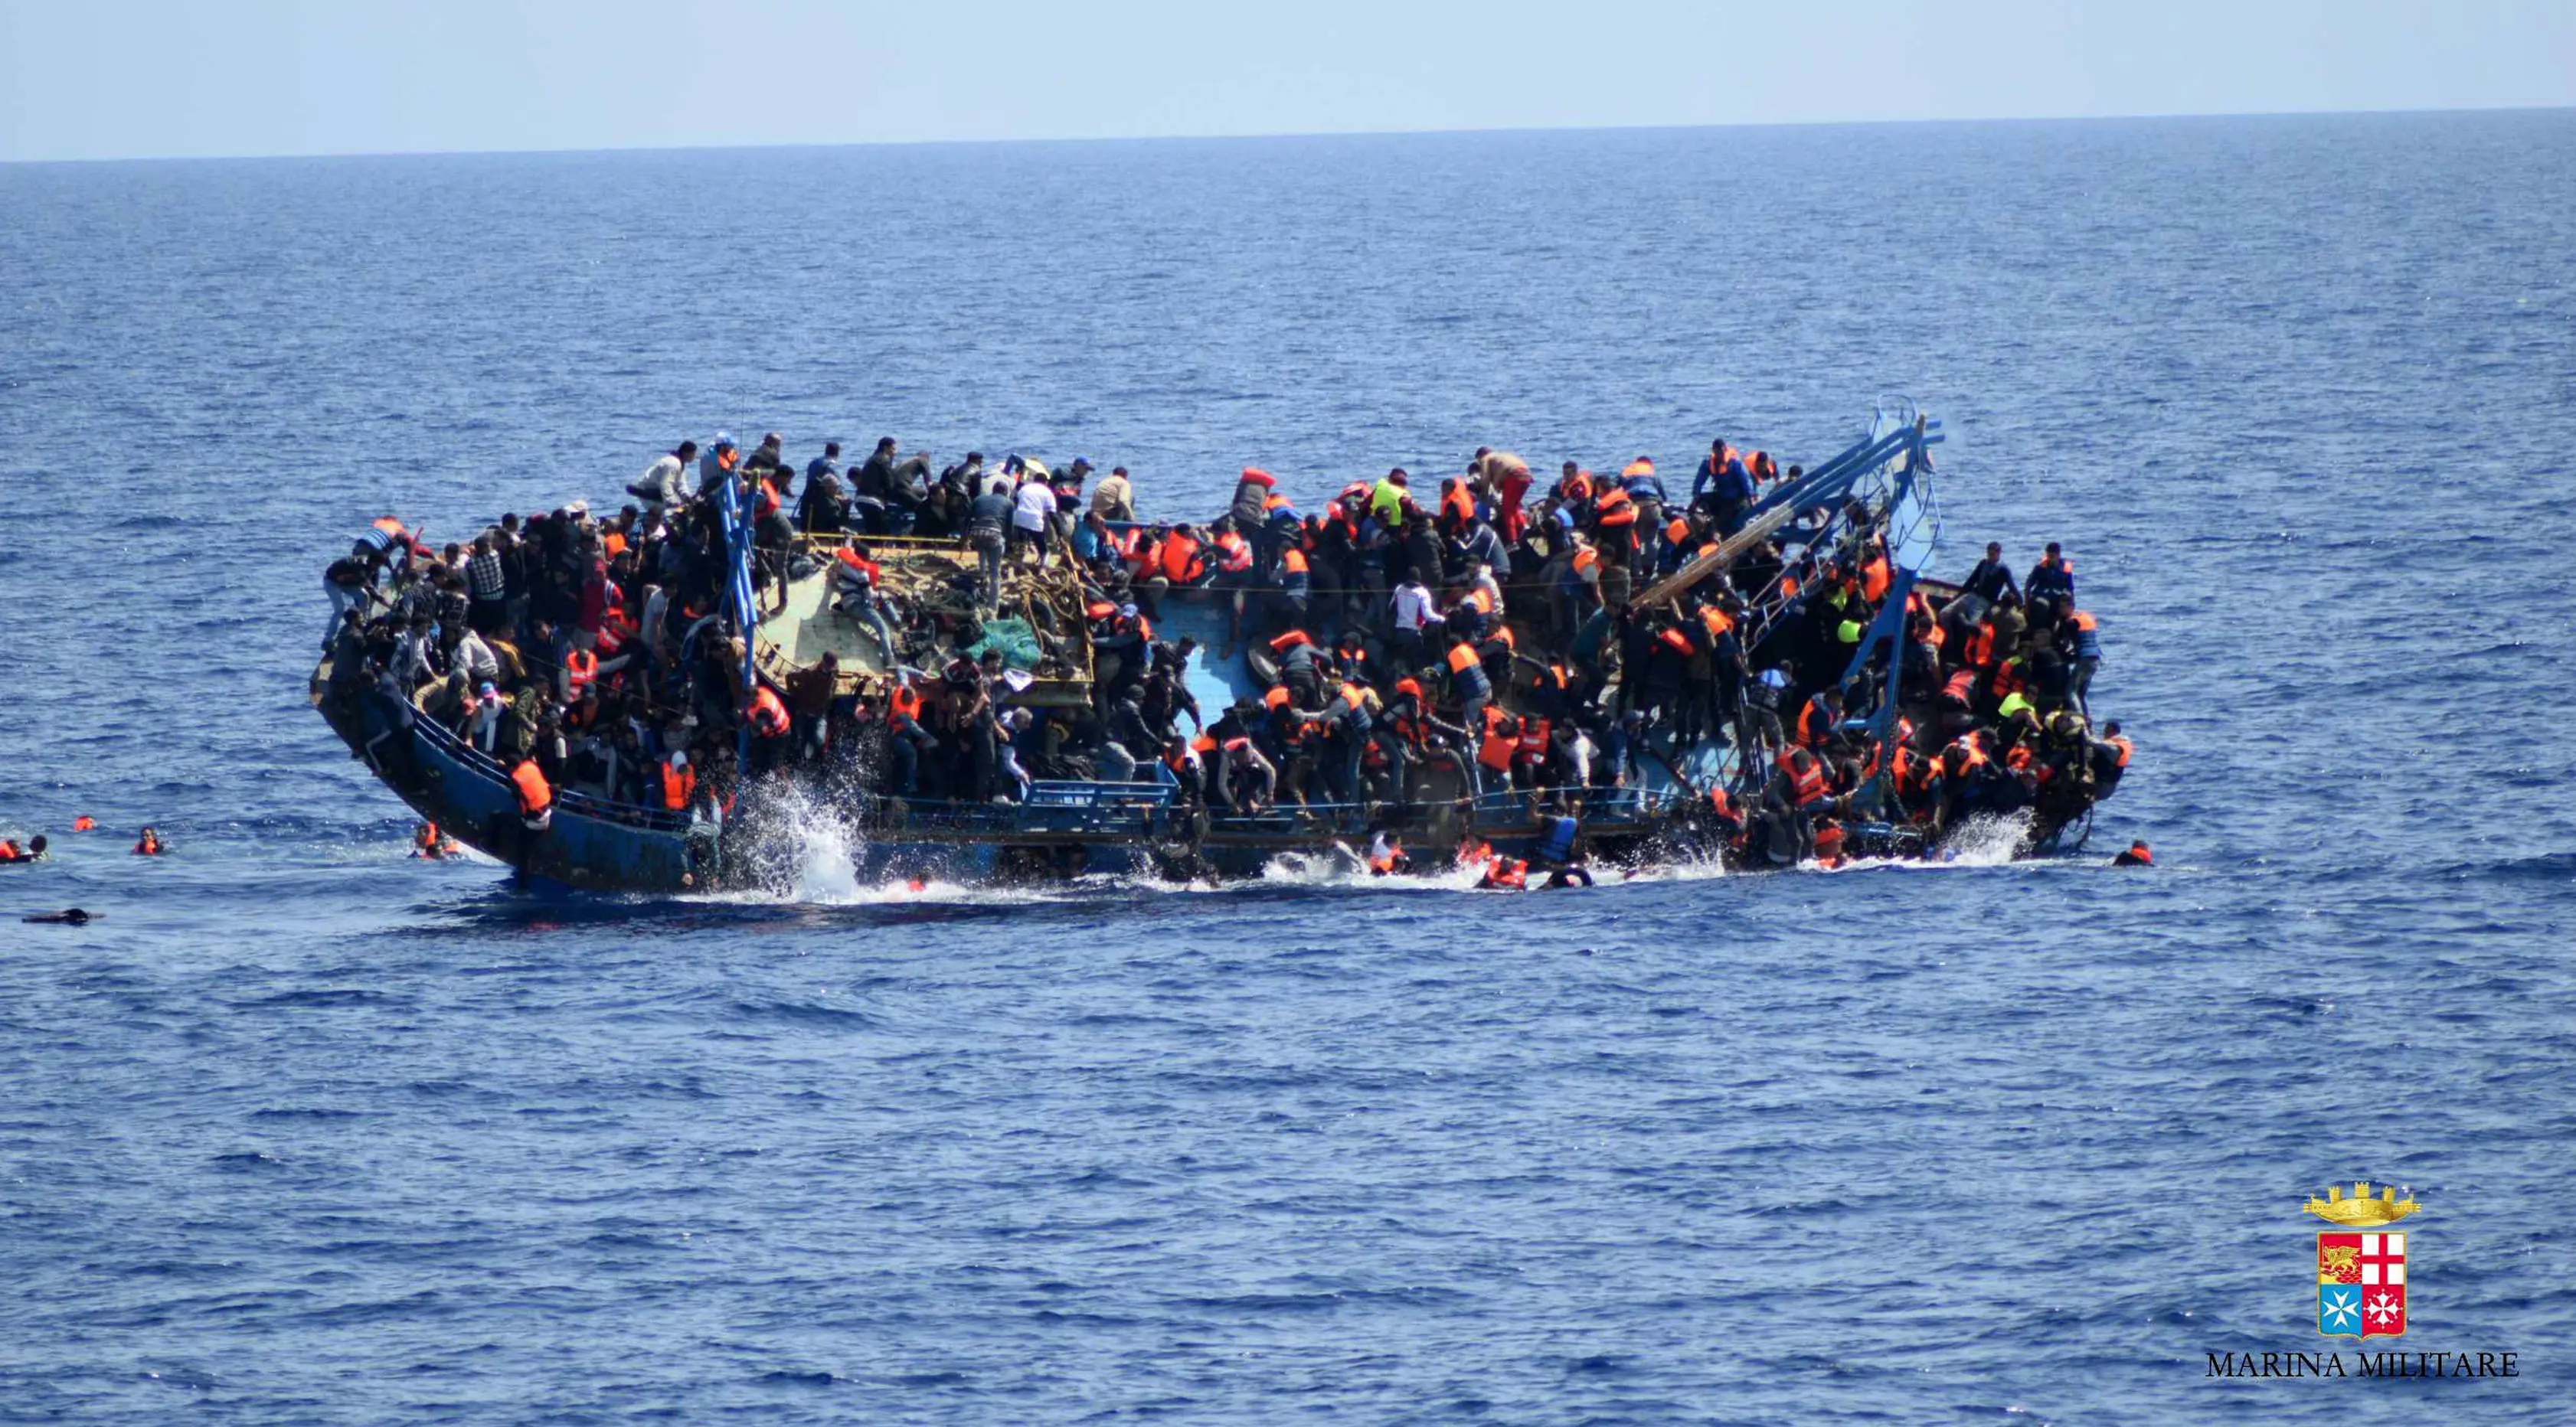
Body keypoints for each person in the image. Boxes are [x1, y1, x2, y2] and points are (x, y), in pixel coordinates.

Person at [966, 478, 1013, 610]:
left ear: (993, 491)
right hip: (994, 535)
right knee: (995, 572)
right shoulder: (1008, 502)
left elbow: (967, 519)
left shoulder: (979, 499)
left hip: (975, 534)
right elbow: (1009, 528)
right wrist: (1009, 545)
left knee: (982, 545)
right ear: (1006, 492)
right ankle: (993, 607)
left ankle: (982, 575)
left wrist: (963, 540)